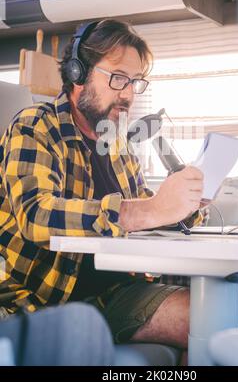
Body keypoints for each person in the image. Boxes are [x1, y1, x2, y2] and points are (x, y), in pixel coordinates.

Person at [0, 19, 205, 364]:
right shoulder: (34, 127)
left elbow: (147, 213)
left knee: (209, 317)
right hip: (37, 300)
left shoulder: (118, 146)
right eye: (118, 77)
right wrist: (149, 210)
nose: (128, 93)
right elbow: (36, 215)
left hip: (112, 295)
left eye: (135, 82)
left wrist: (183, 206)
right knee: (83, 326)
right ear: (78, 73)